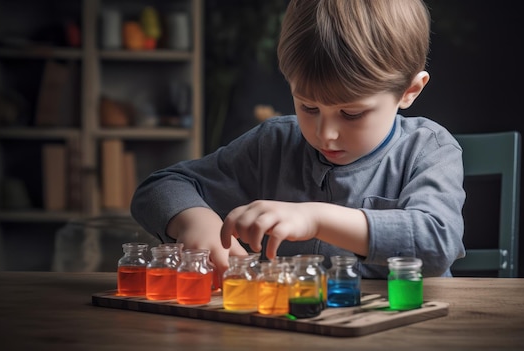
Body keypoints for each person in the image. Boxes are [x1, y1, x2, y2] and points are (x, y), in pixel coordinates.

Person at [130, 0, 466, 281]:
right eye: (308, 107)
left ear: (409, 91)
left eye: (351, 114)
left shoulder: (428, 149)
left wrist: (316, 219)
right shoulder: (273, 144)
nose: (325, 133)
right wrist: (194, 220)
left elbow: (436, 243)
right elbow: (159, 187)